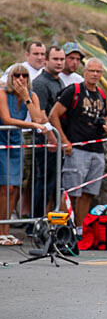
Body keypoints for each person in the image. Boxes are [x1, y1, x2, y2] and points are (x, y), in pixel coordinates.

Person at [48, 58, 107, 234]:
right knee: (70, 192)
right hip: (76, 148)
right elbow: (53, 115)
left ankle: (79, 230)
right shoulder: (74, 91)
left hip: (97, 149)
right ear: (84, 72)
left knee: (88, 193)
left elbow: (104, 117)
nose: (95, 74)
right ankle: (62, 230)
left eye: (98, 72)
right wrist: (64, 140)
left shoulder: (101, 94)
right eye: (91, 71)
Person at [0, 64, 51, 246]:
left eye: (24, 75)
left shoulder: (31, 95)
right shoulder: (2, 94)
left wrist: (26, 98)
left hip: (16, 142)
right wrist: (32, 126)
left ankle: (6, 231)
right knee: (6, 188)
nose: (21, 79)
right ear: (10, 77)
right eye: (17, 75)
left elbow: (38, 118)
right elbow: (6, 119)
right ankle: (1, 230)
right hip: (2, 142)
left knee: (15, 187)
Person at [30, 46, 65, 222]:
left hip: (57, 141)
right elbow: (41, 114)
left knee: (54, 184)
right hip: (45, 141)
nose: (59, 63)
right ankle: (34, 222)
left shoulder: (59, 81)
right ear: (46, 61)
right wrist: (52, 138)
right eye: (55, 59)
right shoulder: (40, 83)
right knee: (44, 182)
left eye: (61, 59)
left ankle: (49, 220)